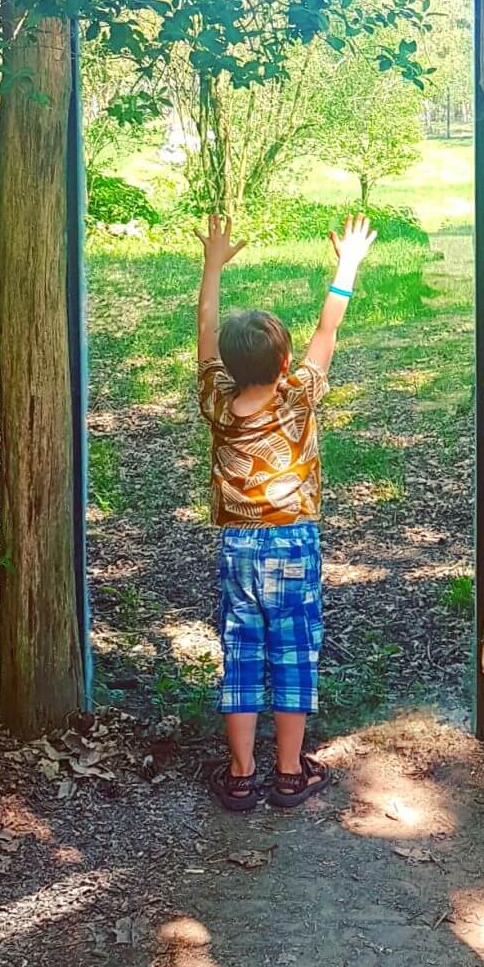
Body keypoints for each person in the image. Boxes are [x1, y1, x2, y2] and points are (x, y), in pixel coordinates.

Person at [193, 212, 377, 810]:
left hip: (238, 549)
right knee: (292, 650)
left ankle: (242, 774)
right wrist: (345, 266)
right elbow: (329, 330)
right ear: (284, 362)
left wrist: (212, 265)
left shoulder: (217, 402)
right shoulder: (298, 398)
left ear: (227, 365)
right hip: (293, 543)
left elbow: (204, 326)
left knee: (242, 651)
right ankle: (290, 772)